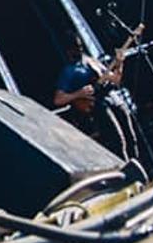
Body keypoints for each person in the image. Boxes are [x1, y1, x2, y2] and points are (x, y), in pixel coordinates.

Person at [53, 32, 137, 160]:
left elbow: (115, 80)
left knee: (131, 137)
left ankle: (138, 165)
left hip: (113, 98)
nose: (79, 49)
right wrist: (78, 94)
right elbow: (58, 99)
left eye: (80, 46)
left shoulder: (92, 61)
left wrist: (120, 63)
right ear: (69, 50)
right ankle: (127, 169)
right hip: (98, 104)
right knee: (118, 141)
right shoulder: (69, 71)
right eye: (75, 47)